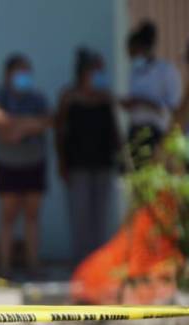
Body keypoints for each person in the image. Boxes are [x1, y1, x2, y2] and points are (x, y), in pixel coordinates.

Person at [0, 54, 53, 278]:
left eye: (27, 71)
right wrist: (27, 124)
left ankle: (33, 264)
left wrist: (17, 126)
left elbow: (47, 121)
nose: (24, 76)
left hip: (34, 162)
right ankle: (5, 265)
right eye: (20, 71)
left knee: (32, 216)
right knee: (8, 216)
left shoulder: (37, 98)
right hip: (7, 163)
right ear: (8, 74)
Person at [55, 48, 122, 267]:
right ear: (84, 72)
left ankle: (100, 265)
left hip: (103, 164)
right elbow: (59, 130)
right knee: (81, 218)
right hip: (78, 166)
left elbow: (115, 131)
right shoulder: (68, 97)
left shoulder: (106, 98)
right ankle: (83, 265)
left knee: (101, 219)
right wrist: (62, 162)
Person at [122, 20, 183, 165]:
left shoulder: (166, 71)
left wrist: (145, 102)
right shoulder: (134, 73)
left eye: (134, 50)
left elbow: (174, 106)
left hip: (157, 134)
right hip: (135, 131)